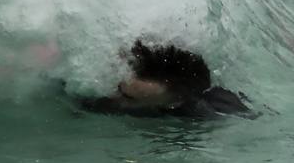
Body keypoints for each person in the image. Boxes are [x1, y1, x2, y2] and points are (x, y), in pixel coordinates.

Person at [78, 40, 250, 118]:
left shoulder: (205, 114)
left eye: (128, 97)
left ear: (173, 102)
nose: (112, 96)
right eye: (117, 86)